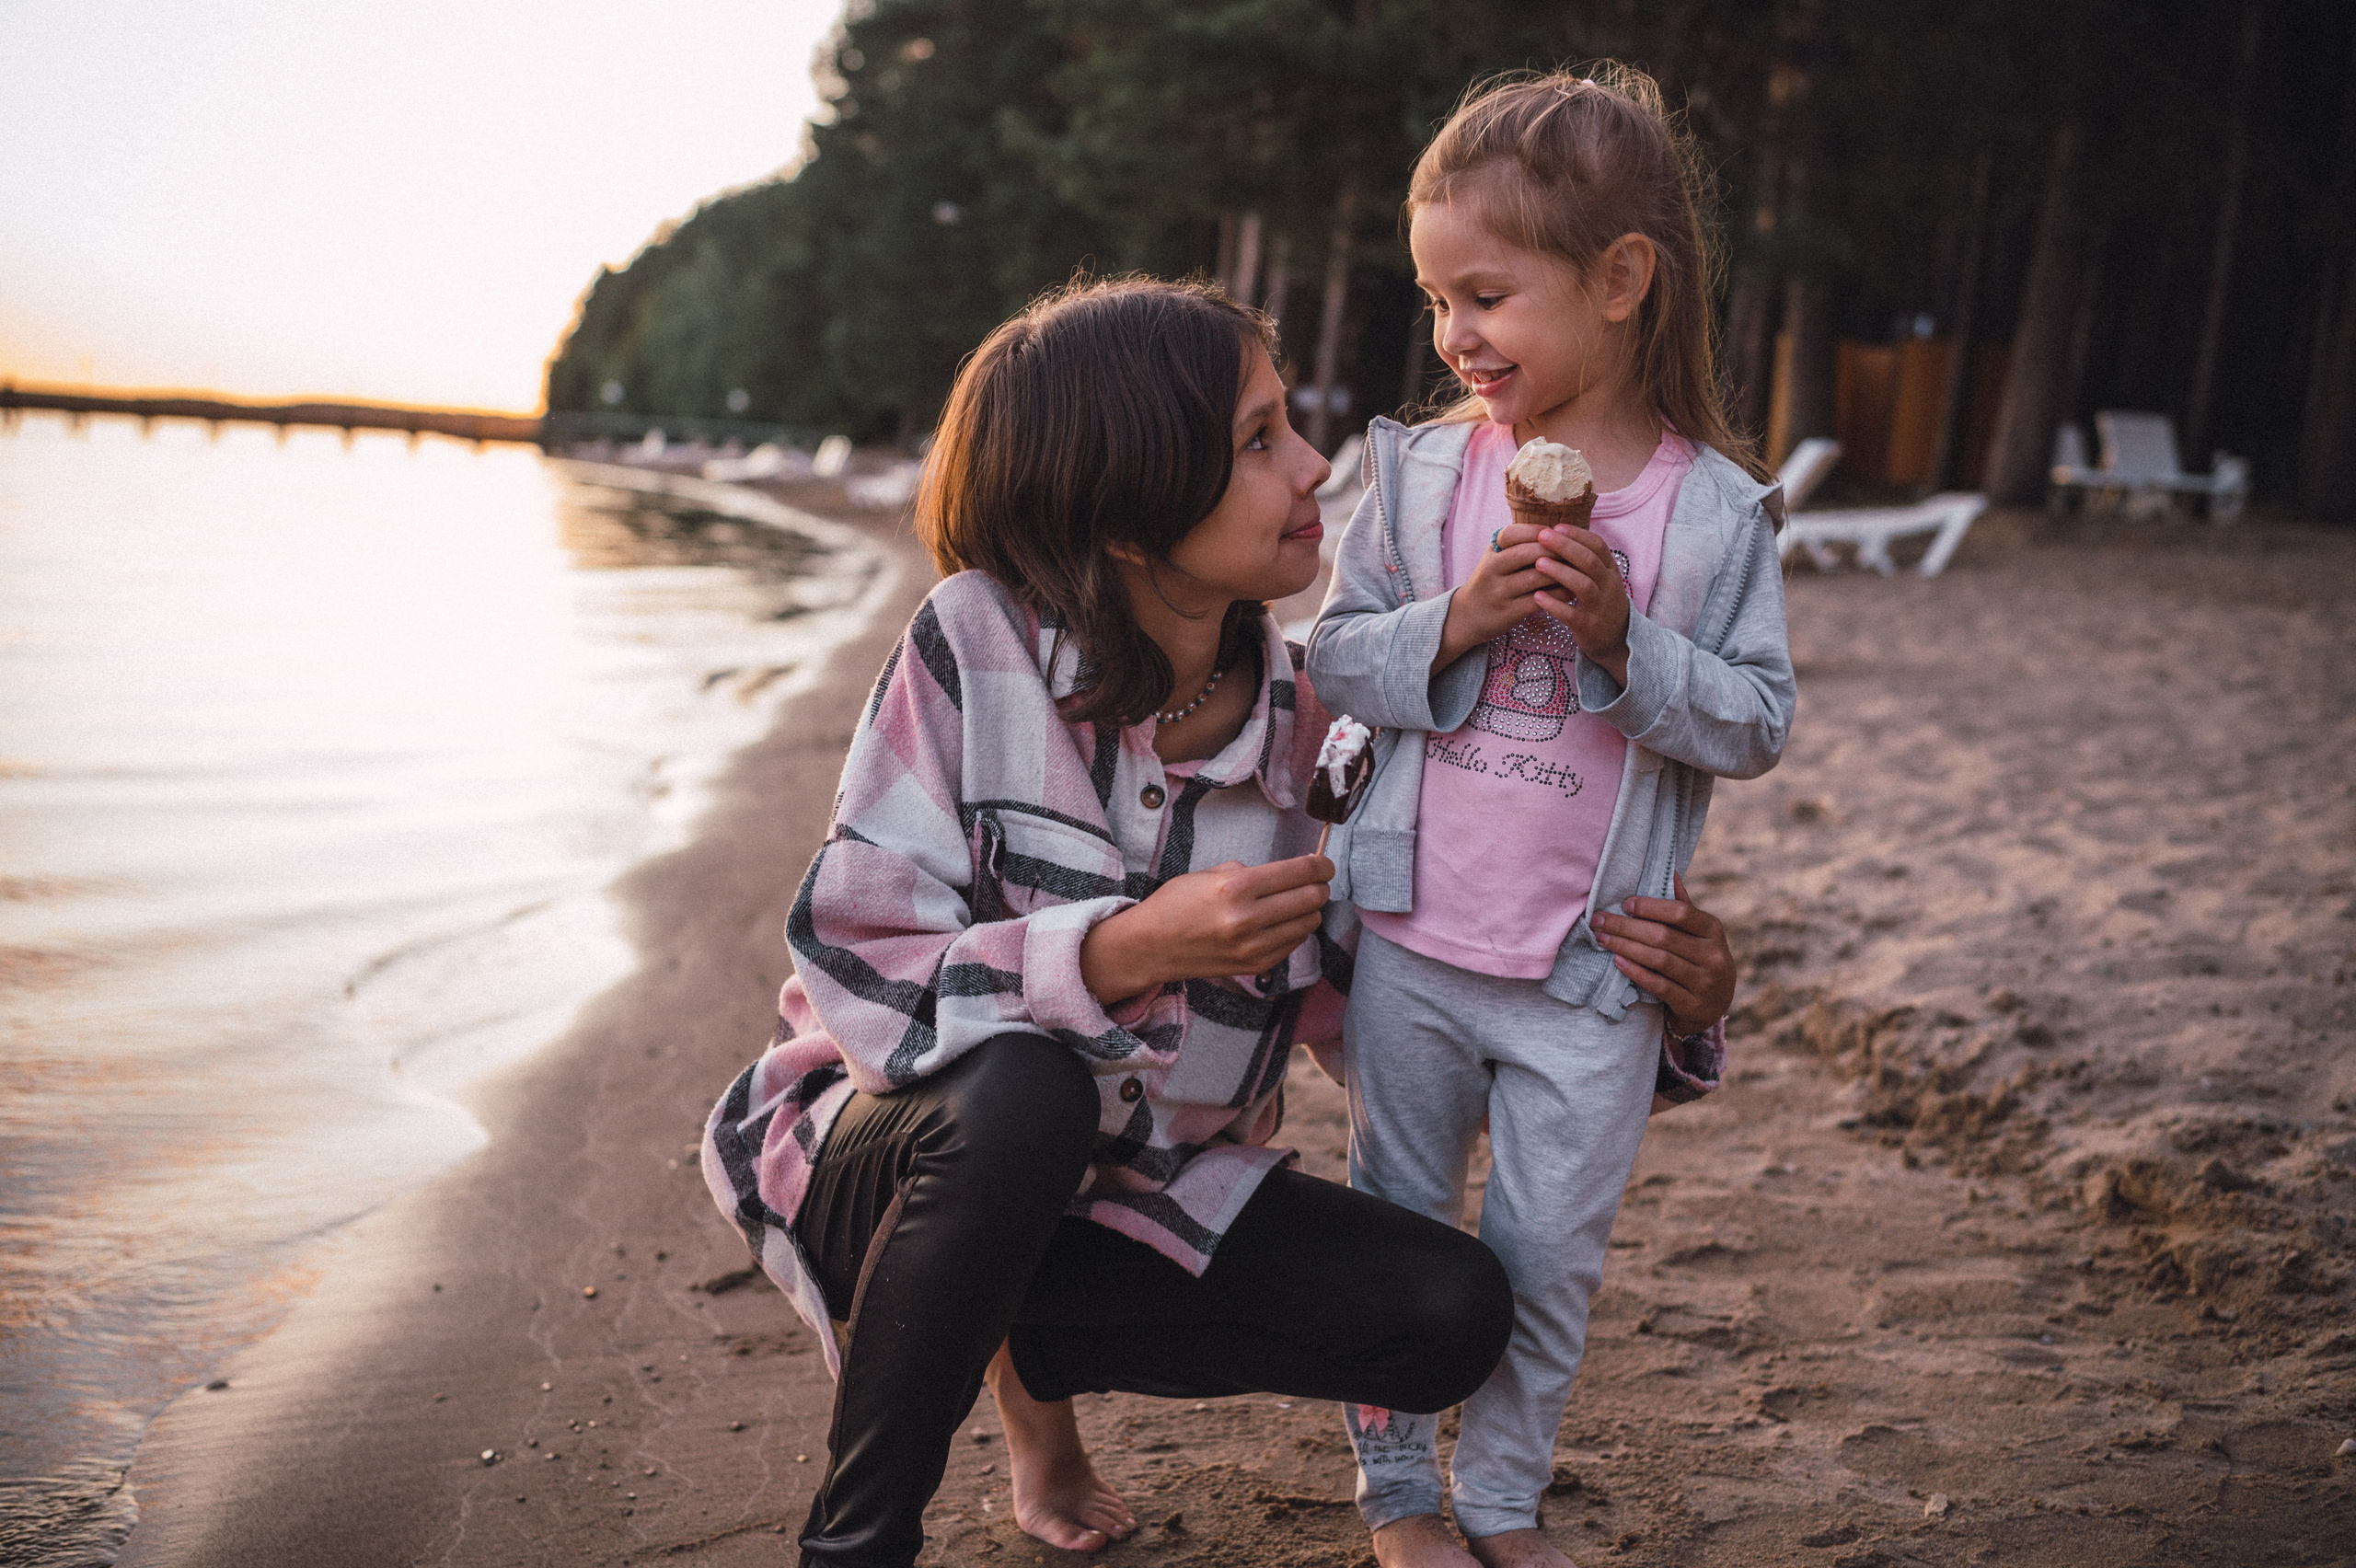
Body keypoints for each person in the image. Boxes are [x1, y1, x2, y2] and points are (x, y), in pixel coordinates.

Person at [703, 276, 1533, 1568]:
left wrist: (1658, 1016)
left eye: (1288, 425)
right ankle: (853, 1546)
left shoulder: (1321, 735)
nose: (1315, 463)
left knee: (1450, 1311)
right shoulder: (973, 643)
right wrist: (1123, 950)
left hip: (1130, 1196)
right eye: (1260, 441)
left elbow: (1395, 1018)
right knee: (1025, 1093)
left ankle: (1020, 1346)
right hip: (886, 1154)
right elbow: (855, 958)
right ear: (1134, 518)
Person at [1304, 68, 1796, 1568]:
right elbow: (1332, 659)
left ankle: (1503, 1502)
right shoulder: (1422, 472)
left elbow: (1757, 723)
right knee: (1396, 1225)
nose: (1456, 333)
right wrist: (1450, 623)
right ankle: (1396, 1500)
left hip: (1592, 974)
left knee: (1547, 1256)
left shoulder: (1715, 517)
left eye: (1489, 295)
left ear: (1622, 282)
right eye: (1435, 296)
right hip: (1412, 937)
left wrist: (1627, 653)